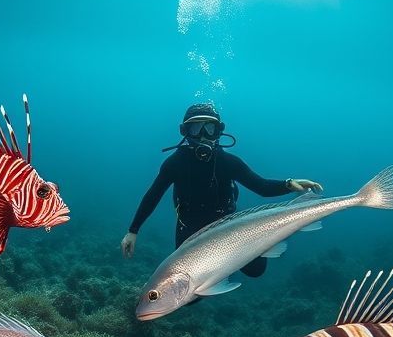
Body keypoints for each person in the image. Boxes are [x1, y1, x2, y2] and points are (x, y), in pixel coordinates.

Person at [120, 103, 321, 278]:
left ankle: (263, 242)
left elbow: (261, 186)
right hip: (189, 228)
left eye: (210, 128)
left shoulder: (228, 162)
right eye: (196, 128)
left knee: (256, 271)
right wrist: (133, 231)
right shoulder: (174, 164)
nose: (203, 135)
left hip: (228, 224)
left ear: (219, 131)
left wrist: (288, 183)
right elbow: (152, 196)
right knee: (190, 293)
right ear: (184, 131)